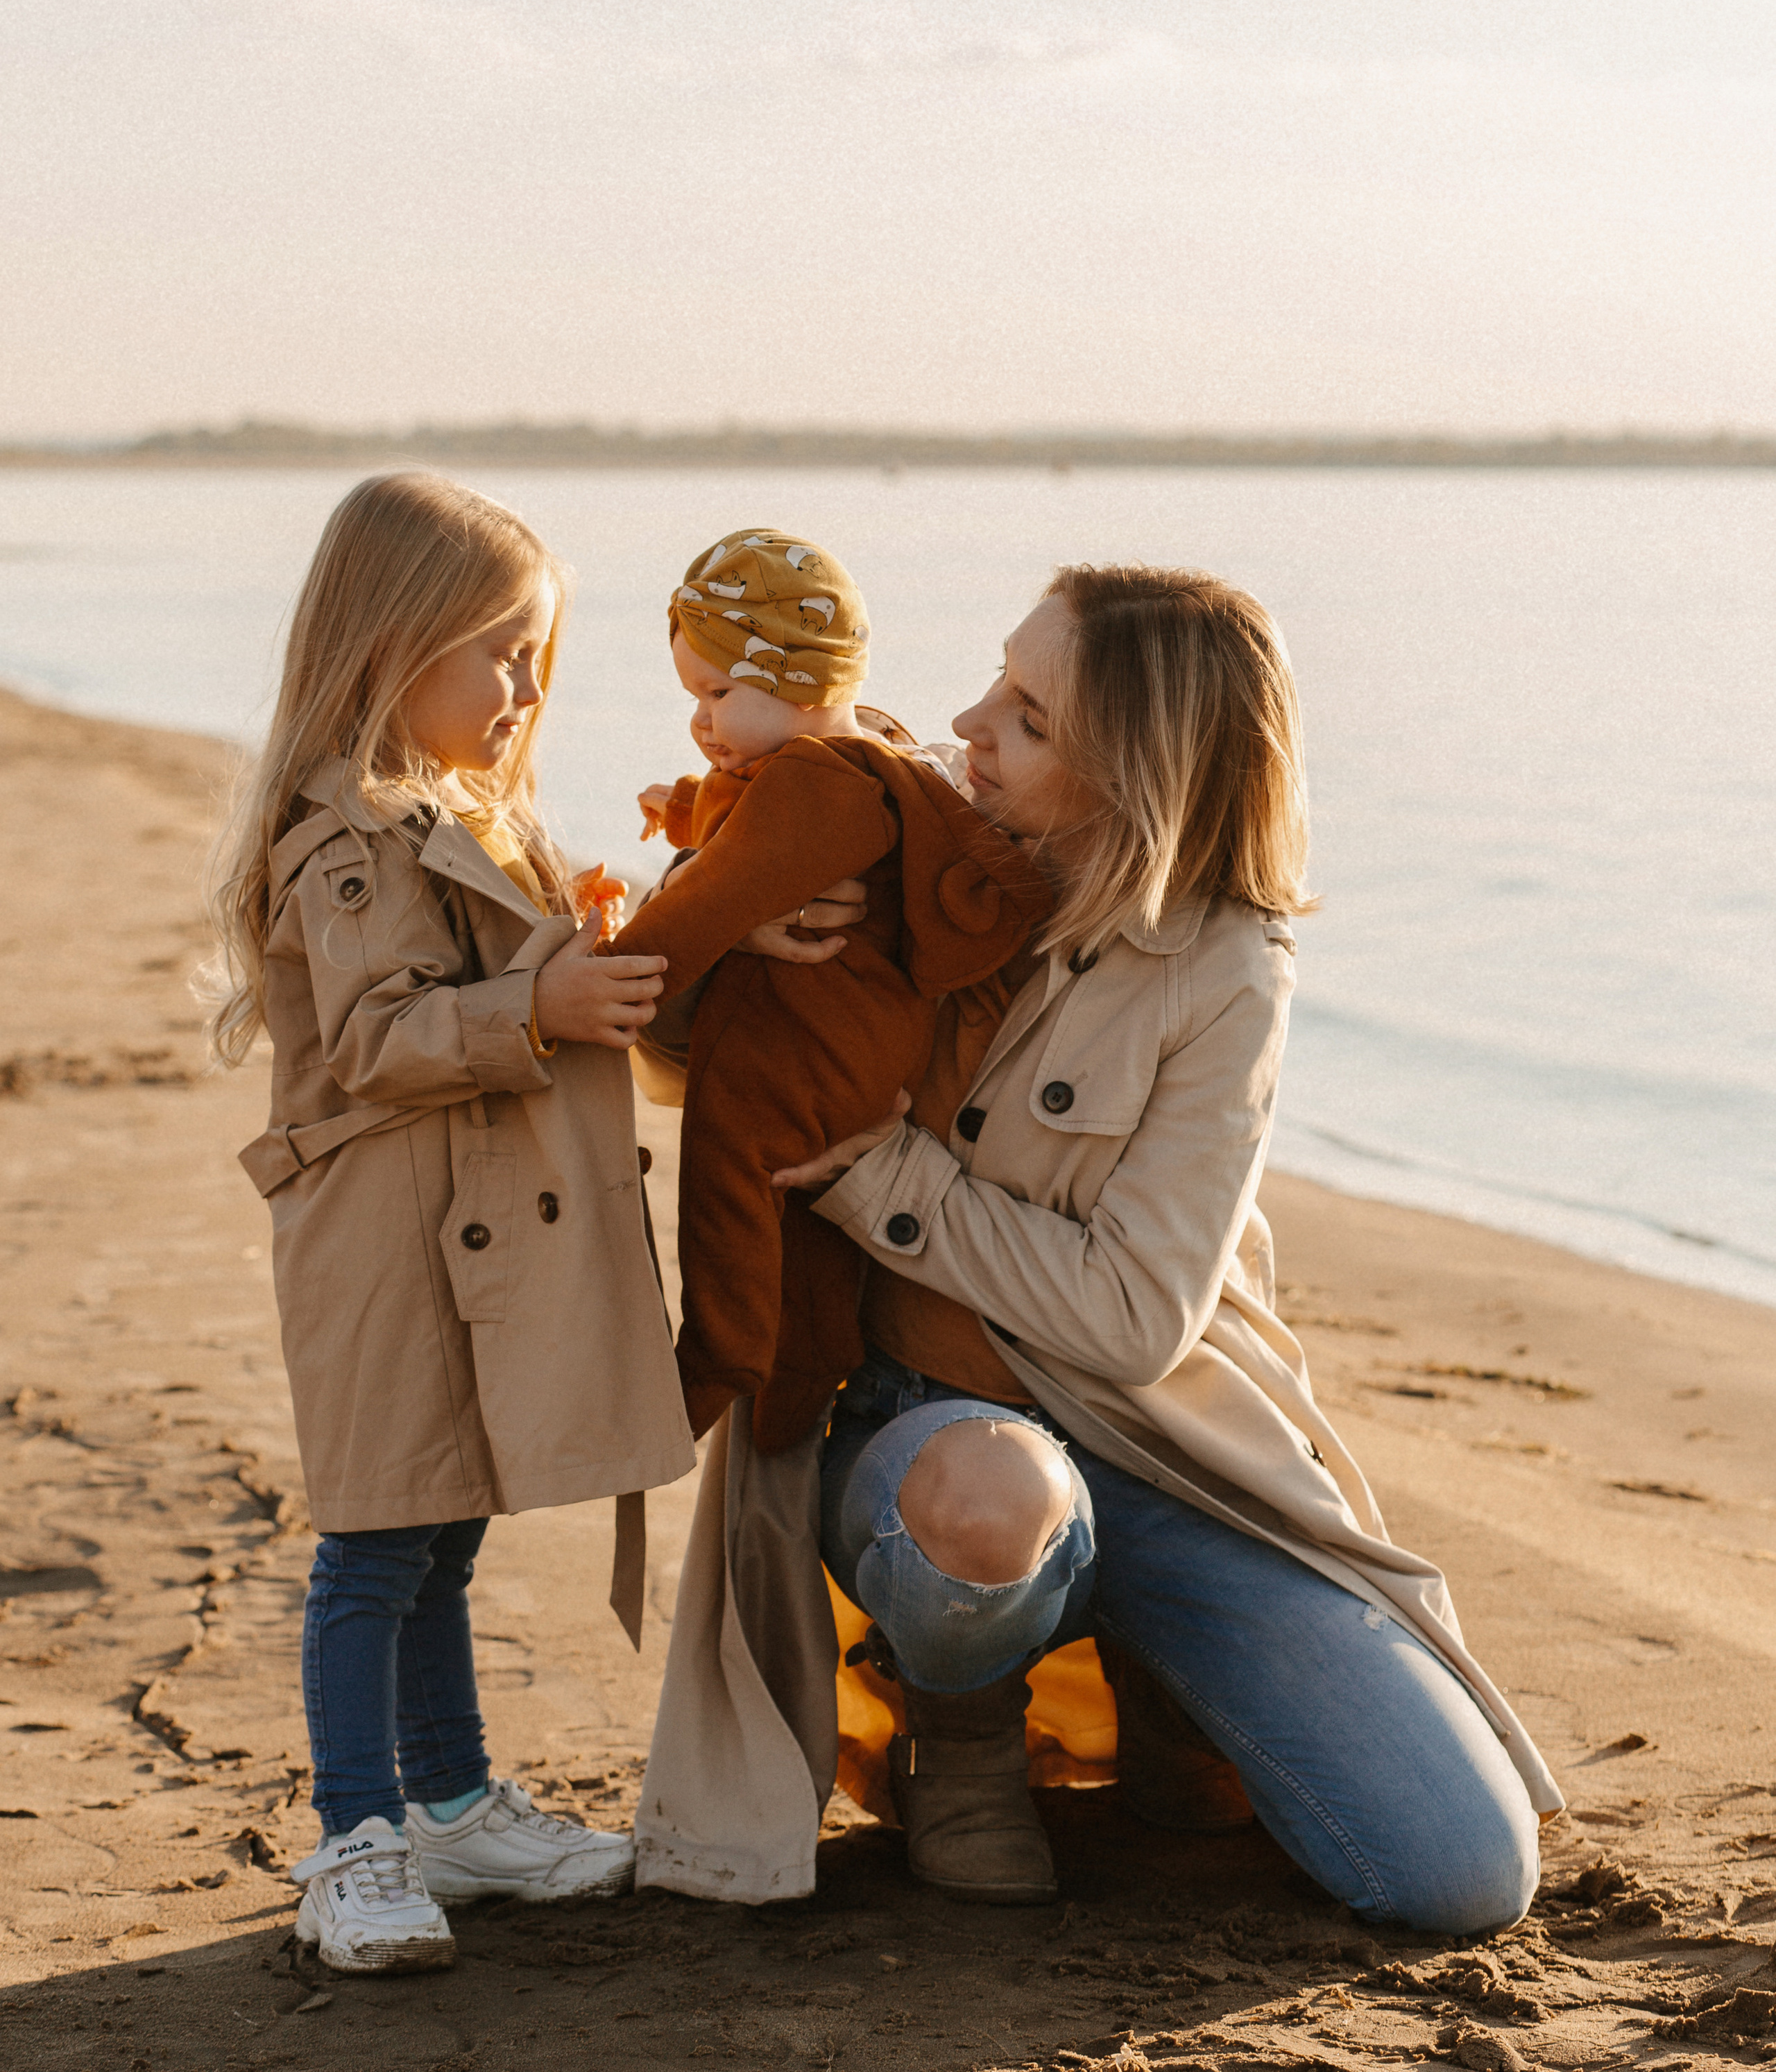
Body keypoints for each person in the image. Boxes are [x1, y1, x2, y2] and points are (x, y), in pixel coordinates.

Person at [632, 563, 1559, 1930]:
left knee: (1455, 1872)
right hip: (925, 1436)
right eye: (997, 685)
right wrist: (734, 917)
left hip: (1167, 1449)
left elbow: (1134, 1323)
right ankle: (960, 1740)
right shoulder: (884, 828)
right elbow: (667, 1052)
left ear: (1134, 773)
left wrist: (882, 1177)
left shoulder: (1225, 966)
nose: (965, 723)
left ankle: (1159, 1672)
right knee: (986, 1503)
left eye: (1026, 715)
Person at [207, 472, 694, 1975]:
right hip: (380, 1246)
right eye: (500, 650)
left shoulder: (458, 816)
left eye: (539, 653)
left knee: (444, 1528)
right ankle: (356, 1836)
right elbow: (374, 1039)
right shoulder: (341, 840)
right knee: (373, 1540)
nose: (529, 686)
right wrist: (533, 1004)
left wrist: (578, 951)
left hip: (465, 1236)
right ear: (387, 647)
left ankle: (456, 1801)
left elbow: (485, 988)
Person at [611, 527, 1050, 1447]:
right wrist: (687, 807)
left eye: (719, 693)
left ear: (801, 681)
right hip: (854, 1046)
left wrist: (611, 985)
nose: (700, 720)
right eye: (693, 696)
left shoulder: (813, 785)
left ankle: (720, 1355)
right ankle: (802, 1374)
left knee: (728, 1180)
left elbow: (713, 901)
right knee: (799, 1219)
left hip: (802, 1041)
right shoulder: (852, 763)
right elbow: (748, 824)